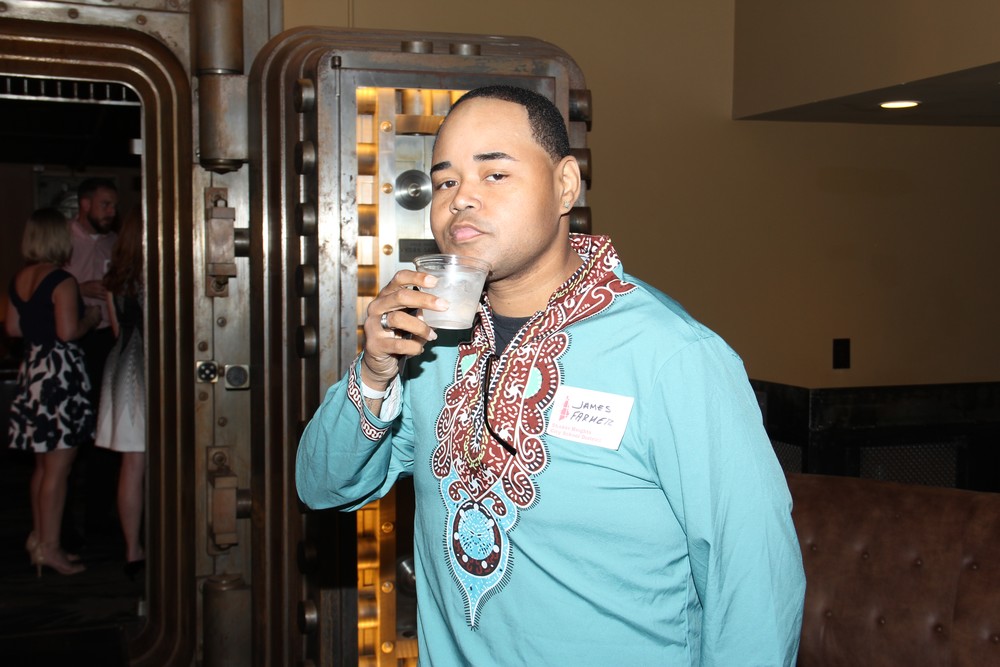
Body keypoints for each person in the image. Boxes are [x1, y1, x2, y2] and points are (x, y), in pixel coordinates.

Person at [296, 85, 806, 665]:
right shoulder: (430, 350)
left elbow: (755, 580)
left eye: (494, 174)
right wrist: (375, 372)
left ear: (565, 185)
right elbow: (324, 488)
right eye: (445, 182)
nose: (461, 199)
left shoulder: (674, 357)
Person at [6, 208, 102, 576]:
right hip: (59, 375)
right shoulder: (61, 280)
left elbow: (13, 330)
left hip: (33, 370)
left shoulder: (20, 278)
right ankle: (50, 548)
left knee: (43, 467)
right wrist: (90, 319)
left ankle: (39, 540)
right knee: (59, 469)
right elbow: (67, 332)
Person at [65, 177, 119, 545]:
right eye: (105, 204)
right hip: (73, 344)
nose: (112, 211)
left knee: (105, 432)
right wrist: (80, 289)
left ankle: (99, 520)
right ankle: (65, 528)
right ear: (84, 204)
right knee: (70, 438)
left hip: (105, 342)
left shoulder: (115, 242)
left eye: (113, 205)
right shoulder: (65, 239)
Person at [94, 207, 146, 577]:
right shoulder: (162, 273)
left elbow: (116, 330)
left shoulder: (115, 277)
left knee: (131, 465)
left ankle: (132, 550)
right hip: (153, 368)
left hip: (121, 365)